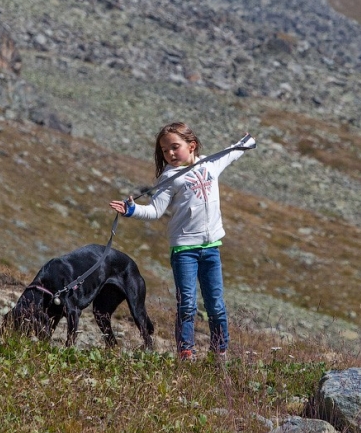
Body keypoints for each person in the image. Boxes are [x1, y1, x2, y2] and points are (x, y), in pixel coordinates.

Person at [110, 122, 256, 361]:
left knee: (216, 306)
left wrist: (248, 142)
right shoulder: (169, 178)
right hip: (184, 251)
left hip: (211, 249)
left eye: (175, 147)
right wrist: (132, 210)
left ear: (192, 145)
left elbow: (232, 153)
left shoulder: (211, 163)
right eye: (165, 151)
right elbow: (155, 211)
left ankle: (219, 352)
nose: (170, 154)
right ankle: (185, 353)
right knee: (187, 305)